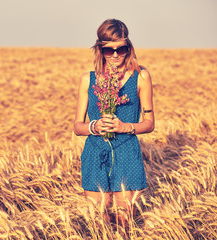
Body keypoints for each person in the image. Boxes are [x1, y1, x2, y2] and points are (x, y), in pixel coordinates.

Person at [74, 19, 154, 225]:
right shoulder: (87, 80)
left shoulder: (141, 77)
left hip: (127, 152)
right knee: (99, 223)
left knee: (125, 222)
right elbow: (77, 127)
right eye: (109, 50)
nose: (116, 55)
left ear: (129, 47)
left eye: (122, 49)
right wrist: (94, 126)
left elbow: (149, 123)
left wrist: (125, 127)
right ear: (100, 50)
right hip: (95, 154)